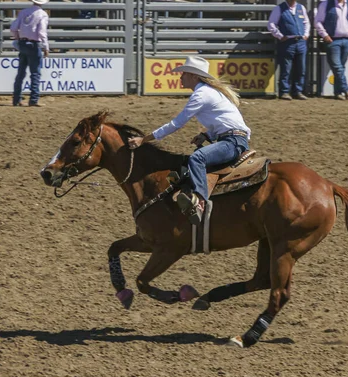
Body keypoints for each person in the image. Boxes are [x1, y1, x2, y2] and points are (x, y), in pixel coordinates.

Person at [127, 56, 250, 225]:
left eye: (184, 73)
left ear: (193, 76)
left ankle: (199, 203)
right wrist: (207, 135)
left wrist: (144, 139)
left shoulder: (201, 94)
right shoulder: (210, 92)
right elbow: (226, 122)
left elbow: (176, 124)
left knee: (197, 158)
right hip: (234, 139)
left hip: (232, 142)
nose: (180, 77)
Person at [314, 0, 348, 100]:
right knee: (337, 66)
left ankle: (338, 92)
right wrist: (325, 35)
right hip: (333, 40)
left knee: (340, 67)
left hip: (347, 40)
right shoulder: (326, 4)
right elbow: (318, 21)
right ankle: (346, 89)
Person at [267, 0, 311, 101]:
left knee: (301, 68)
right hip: (288, 41)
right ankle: (284, 91)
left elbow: (306, 22)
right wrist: (280, 36)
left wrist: (306, 34)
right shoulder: (279, 8)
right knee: (286, 68)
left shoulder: (301, 8)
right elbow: (271, 24)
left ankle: (297, 91)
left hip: (300, 41)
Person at [10, 0, 50, 107]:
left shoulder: (23, 12)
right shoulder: (42, 14)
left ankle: (16, 99)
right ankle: (33, 100)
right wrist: (46, 47)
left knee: (21, 72)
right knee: (35, 73)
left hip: (23, 43)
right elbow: (42, 32)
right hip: (34, 45)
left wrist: (18, 38)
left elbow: (13, 28)